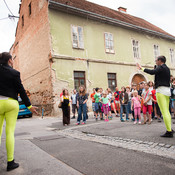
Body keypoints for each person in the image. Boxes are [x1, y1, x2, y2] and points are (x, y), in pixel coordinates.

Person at [0, 52, 38, 171]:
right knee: (9, 132)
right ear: (10, 60)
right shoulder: (14, 73)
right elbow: (21, 91)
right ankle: (10, 162)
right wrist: (29, 106)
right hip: (11, 103)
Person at [137, 56, 173, 137]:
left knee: (164, 112)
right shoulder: (166, 68)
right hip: (167, 91)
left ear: (160, 61)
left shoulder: (161, 67)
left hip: (161, 91)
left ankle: (169, 131)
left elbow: (152, 72)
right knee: (167, 111)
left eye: (156, 60)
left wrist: (142, 68)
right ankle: (169, 128)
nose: (155, 62)